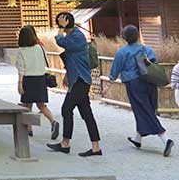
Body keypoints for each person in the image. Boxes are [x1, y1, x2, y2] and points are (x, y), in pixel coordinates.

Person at [109, 25, 173, 157]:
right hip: (150, 82)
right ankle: (138, 139)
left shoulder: (122, 52)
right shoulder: (147, 49)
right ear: (137, 35)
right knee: (146, 108)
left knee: (143, 110)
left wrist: (109, 82)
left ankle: (165, 139)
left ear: (124, 37)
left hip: (134, 84)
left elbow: (116, 69)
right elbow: (153, 63)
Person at [47, 11, 102, 157]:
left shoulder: (77, 37)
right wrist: (66, 75)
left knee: (66, 109)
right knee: (86, 113)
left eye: (61, 22)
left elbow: (59, 41)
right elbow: (73, 60)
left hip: (81, 80)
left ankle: (65, 144)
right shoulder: (73, 36)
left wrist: (61, 28)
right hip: (77, 79)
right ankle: (96, 147)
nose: (60, 25)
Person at [16, 26, 59, 139]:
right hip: (40, 79)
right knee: (41, 105)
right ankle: (53, 122)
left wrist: (20, 83)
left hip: (28, 79)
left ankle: (28, 130)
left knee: (27, 106)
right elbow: (46, 62)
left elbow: (21, 68)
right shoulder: (40, 48)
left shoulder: (21, 50)